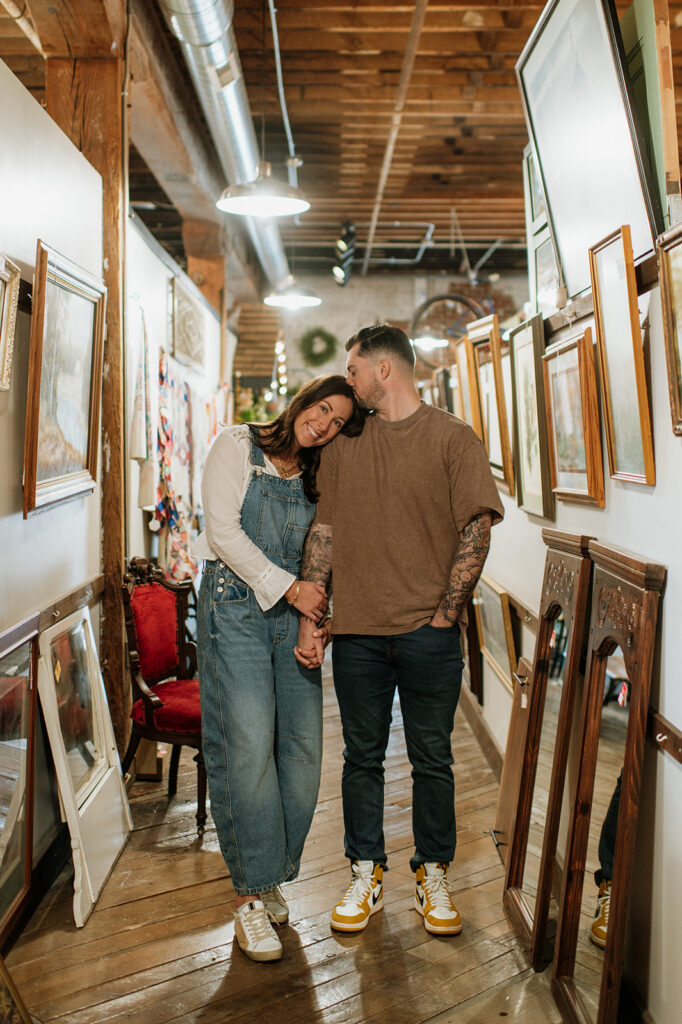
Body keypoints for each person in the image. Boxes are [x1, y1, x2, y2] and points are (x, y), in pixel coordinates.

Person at [295, 324, 504, 937]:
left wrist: (445, 613)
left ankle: (433, 873)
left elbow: (477, 528)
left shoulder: (452, 438)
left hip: (428, 635)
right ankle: (365, 872)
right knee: (361, 760)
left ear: (382, 370)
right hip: (356, 633)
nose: (350, 379)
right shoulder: (341, 444)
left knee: (431, 760)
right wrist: (314, 614)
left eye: (354, 368)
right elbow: (324, 535)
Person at [194, 374, 364, 962]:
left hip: (293, 613)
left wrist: (313, 621)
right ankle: (249, 897)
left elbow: (321, 556)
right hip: (233, 607)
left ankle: (269, 876)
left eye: (338, 422)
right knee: (244, 746)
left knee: (301, 751)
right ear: (302, 401)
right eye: (322, 410)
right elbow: (223, 534)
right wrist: (291, 592)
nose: (324, 425)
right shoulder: (236, 446)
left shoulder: (320, 478)